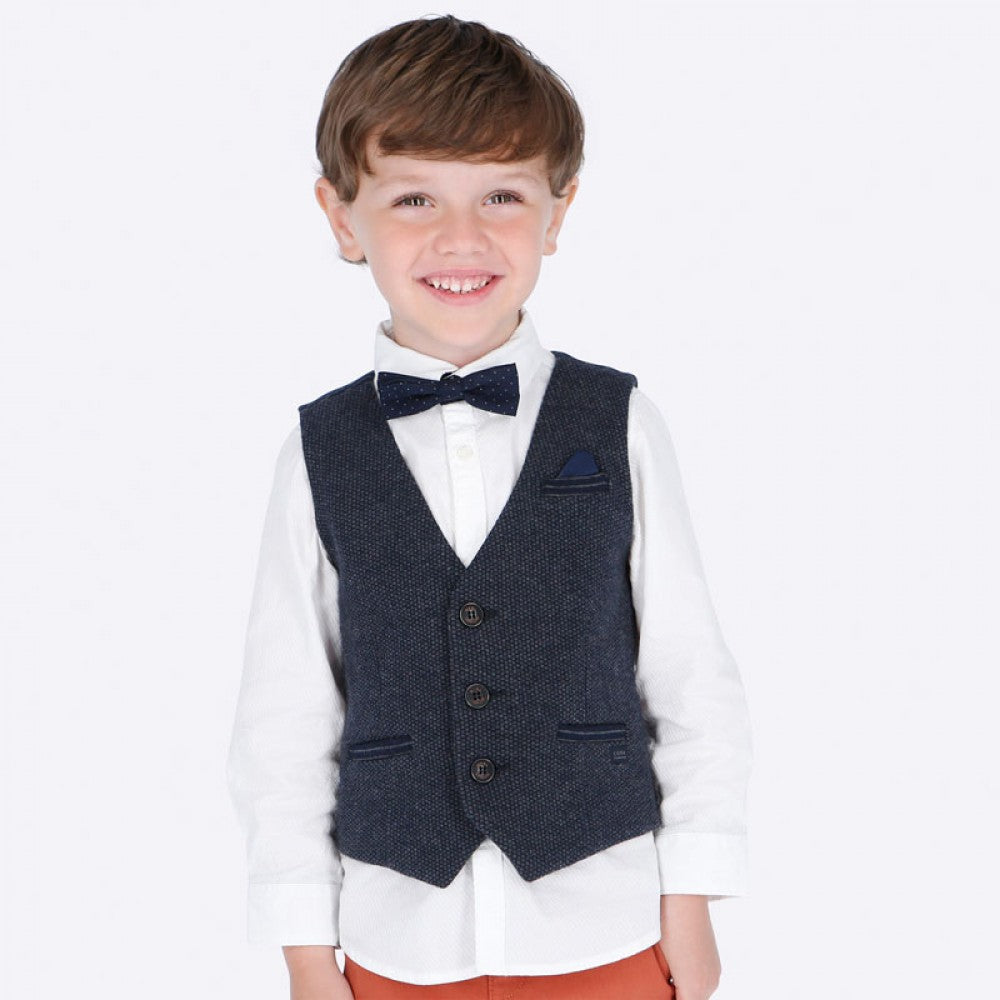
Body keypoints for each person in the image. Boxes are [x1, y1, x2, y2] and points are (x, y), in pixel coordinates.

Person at [226, 14, 753, 1000]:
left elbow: (688, 675)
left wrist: (693, 895)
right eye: (413, 197)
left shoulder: (620, 421)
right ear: (341, 217)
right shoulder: (317, 451)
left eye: (502, 195)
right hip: (397, 937)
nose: (460, 238)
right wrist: (303, 949)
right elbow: (285, 716)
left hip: (605, 923)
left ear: (557, 211)